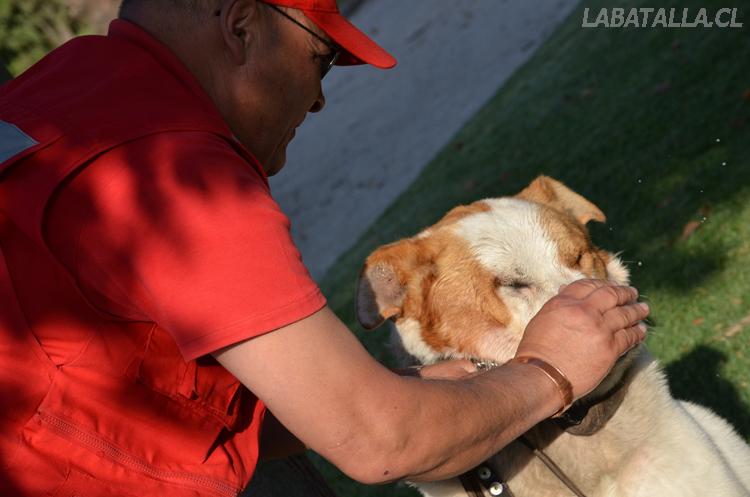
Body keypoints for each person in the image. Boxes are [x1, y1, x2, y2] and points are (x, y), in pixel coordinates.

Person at [0, 0, 650, 495]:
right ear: (241, 25)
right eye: (319, 58)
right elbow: (380, 441)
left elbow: (113, 384)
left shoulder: (54, 94)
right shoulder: (175, 170)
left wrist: (394, 391)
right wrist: (546, 372)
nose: (317, 98)